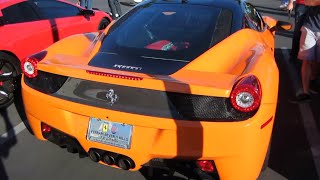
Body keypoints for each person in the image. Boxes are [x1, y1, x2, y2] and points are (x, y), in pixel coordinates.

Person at [289, 0, 320, 103]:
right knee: (306, 59)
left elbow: (312, 2)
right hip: (310, 27)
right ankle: (306, 93)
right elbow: (308, 2)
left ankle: (314, 78)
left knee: (315, 61)